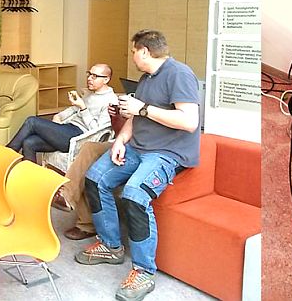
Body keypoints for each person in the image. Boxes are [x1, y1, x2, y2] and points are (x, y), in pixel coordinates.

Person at [75, 30, 201, 301]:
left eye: (133, 51)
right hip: (137, 148)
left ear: (144, 51)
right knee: (95, 178)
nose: (131, 55)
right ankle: (110, 246)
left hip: (167, 153)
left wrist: (142, 108)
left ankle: (144, 270)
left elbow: (189, 121)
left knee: (134, 195)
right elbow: (135, 116)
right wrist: (121, 139)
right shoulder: (146, 78)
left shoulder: (179, 74)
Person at [7, 63, 117, 161]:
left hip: (79, 138)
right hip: (67, 129)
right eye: (89, 74)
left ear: (106, 80)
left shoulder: (111, 101)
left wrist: (83, 108)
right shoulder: (90, 93)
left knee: (32, 121)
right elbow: (73, 109)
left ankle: (8, 155)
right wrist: (59, 116)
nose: (89, 78)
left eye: (95, 76)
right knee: (29, 143)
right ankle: (29, 178)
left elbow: (96, 130)